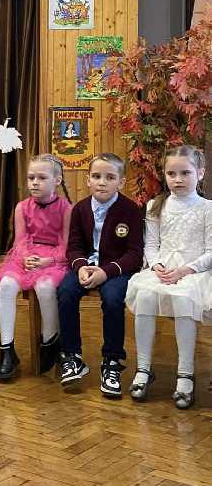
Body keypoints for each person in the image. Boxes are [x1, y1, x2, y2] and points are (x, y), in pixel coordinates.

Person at [125, 146, 212, 408]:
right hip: (163, 270)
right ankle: (143, 368)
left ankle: (185, 373)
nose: (178, 179)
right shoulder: (155, 206)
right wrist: (157, 266)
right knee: (145, 295)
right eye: (171, 173)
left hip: (195, 271)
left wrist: (185, 270)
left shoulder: (207, 208)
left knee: (184, 297)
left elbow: (211, 251)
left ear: (201, 173)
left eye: (185, 173)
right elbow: (151, 245)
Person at [56, 153, 144, 394]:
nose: (102, 182)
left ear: (121, 182)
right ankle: (72, 356)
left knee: (114, 298)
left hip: (115, 270)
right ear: (88, 180)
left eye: (109, 177)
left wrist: (106, 272)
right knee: (65, 292)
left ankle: (112, 360)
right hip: (85, 267)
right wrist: (80, 267)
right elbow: (74, 247)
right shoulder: (80, 209)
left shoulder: (131, 210)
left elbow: (134, 254)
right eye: (96, 176)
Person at [0, 154, 72, 381]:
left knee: (45, 286)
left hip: (54, 260)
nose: (35, 183)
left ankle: (49, 340)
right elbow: (20, 240)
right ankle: (6, 350)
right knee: (6, 284)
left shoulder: (67, 209)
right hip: (26, 256)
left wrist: (49, 260)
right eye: (31, 178)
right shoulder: (22, 207)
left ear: (57, 181)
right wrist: (26, 257)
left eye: (41, 178)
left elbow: (66, 246)